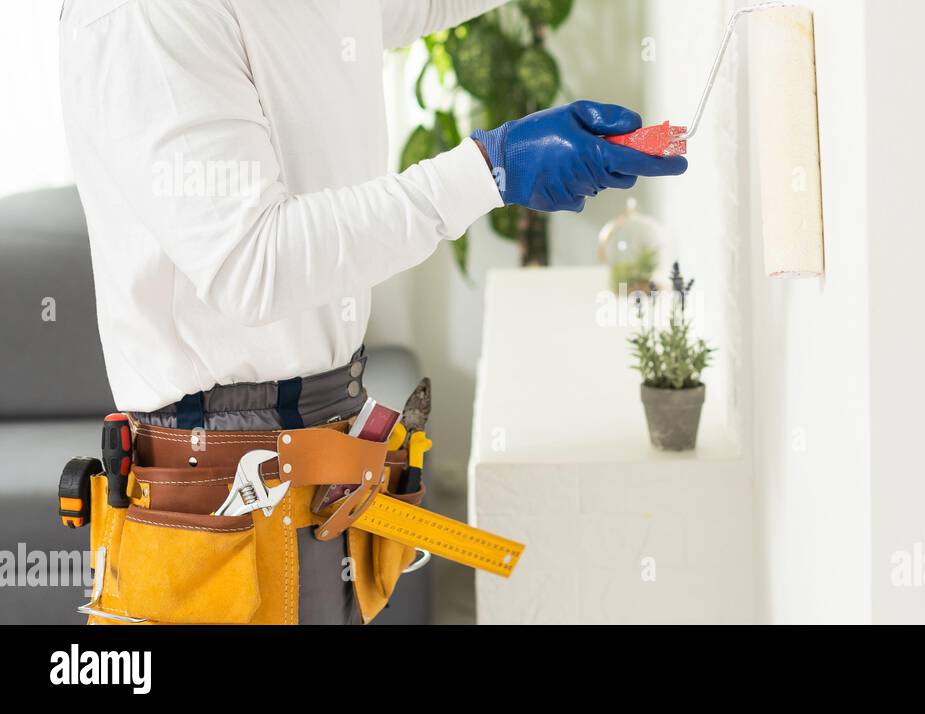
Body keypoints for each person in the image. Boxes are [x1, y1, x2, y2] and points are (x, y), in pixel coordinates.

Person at [58, 0, 686, 624]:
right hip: (221, 497)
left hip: (319, 469)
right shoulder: (138, 16)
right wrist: (491, 169)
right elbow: (251, 263)